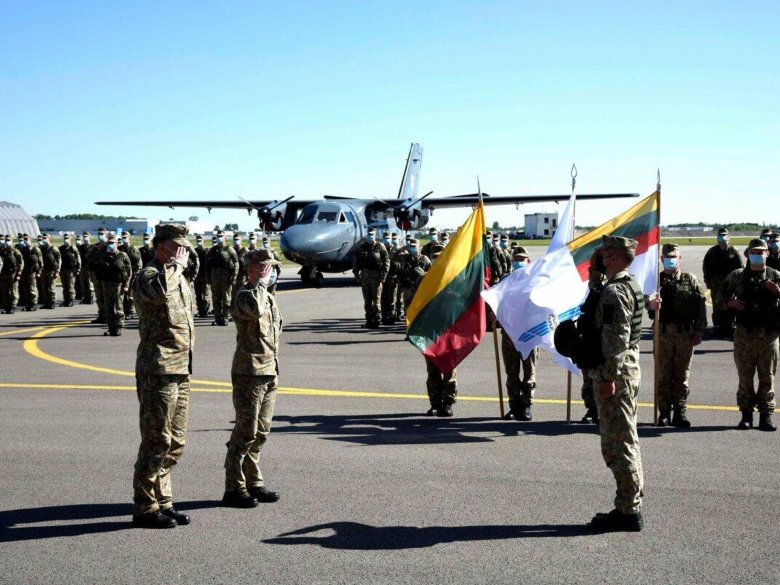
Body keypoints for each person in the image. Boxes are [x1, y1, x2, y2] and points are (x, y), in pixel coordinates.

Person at [131, 224, 195, 528]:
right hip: (157, 369)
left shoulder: (178, 277)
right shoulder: (149, 276)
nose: (183, 252)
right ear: (160, 247)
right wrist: (176, 268)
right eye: (176, 247)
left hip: (181, 367)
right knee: (157, 440)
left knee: (175, 441)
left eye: (184, 247)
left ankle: (163, 501)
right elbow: (157, 295)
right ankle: (145, 507)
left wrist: (178, 269)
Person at [588, 235, 645, 533]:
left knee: (619, 443)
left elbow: (615, 339)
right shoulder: (623, 285)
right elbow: (594, 294)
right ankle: (628, 505)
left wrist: (608, 378)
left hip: (616, 374)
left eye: (607, 252)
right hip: (625, 370)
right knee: (622, 440)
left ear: (617, 257)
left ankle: (628, 510)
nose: (602, 256)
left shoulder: (616, 293)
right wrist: (595, 271)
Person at [222, 249, 283, 508]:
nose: (272, 273)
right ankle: (234, 488)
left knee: (261, 433)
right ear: (251, 270)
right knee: (245, 433)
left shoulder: (268, 297)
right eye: (266, 268)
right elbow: (254, 311)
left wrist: (265, 286)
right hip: (250, 372)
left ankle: (253, 483)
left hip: (269, 370)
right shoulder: (246, 295)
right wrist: (259, 284)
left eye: (272, 268)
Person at [721, 238, 779, 431]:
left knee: (767, 376)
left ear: (767, 254)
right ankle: (746, 415)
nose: (757, 255)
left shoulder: (775, 275)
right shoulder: (737, 276)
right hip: (744, 335)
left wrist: (778, 293)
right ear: (747, 254)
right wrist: (729, 303)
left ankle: (766, 416)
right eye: (753, 252)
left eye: (761, 252)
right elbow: (720, 296)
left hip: (769, 336)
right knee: (745, 376)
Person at [647, 244, 707, 427]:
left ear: (679, 259)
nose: (670, 260)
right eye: (667, 257)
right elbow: (644, 304)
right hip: (662, 334)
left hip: (684, 335)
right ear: (661, 259)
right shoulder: (654, 282)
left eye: (673, 257)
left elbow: (700, 309)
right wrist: (651, 305)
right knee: (663, 375)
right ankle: (664, 412)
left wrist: (699, 332)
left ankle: (680, 412)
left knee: (681, 375)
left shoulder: (691, 280)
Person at [500, 247, 540, 421]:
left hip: (529, 333)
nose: (519, 261)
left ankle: (526, 406)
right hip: (509, 334)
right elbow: (497, 302)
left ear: (528, 261)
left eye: (522, 259)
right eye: (516, 258)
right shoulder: (505, 280)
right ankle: (514, 406)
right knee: (512, 372)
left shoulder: (535, 281)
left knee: (529, 372)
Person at [703, 227, 743, 337]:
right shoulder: (712, 251)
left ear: (729, 237)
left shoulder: (734, 251)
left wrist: (739, 283)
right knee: (717, 305)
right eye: (720, 235)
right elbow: (706, 267)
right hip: (716, 284)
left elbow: (741, 268)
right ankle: (718, 326)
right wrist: (707, 281)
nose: (722, 237)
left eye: (724, 235)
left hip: (731, 284)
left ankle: (729, 326)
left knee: (730, 303)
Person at [94, 233, 132, 336]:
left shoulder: (122, 255)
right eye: (108, 243)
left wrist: (126, 285)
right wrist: (100, 248)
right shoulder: (103, 255)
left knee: (119, 306)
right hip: (106, 283)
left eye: (112, 243)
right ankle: (111, 327)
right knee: (108, 307)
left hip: (118, 284)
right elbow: (95, 263)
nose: (110, 245)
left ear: (116, 243)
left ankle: (119, 326)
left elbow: (128, 272)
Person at [352, 227, 389, 328]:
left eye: (372, 234)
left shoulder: (380, 246)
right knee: (367, 300)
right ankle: (369, 320)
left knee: (376, 300)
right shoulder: (362, 247)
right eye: (369, 234)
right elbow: (356, 261)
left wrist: (384, 275)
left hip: (376, 276)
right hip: (365, 276)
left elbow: (386, 261)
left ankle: (377, 320)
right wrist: (356, 274)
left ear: (375, 235)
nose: (370, 236)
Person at [207, 230, 239, 326]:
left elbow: (236, 264)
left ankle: (225, 317)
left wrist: (234, 277)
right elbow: (207, 265)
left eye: (221, 236)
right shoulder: (212, 250)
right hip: (214, 278)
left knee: (226, 299)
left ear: (225, 238)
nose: (219, 238)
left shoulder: (230, 250)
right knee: (216, 299)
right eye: (218, 236)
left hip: (226, 279)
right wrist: (208, 278)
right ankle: (217, 318)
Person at [87, 228, 109, 323]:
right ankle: (102, 315)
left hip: (107, 277)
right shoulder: (95, 247)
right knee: (99, 297)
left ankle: (109, 316)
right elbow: (88, 257)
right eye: (99, 233)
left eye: (102, 233)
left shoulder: (110, 246)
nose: (100, 235)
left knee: (107, 297)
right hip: (97, 275)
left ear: (106, 234)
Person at [17, 233, 42, 311]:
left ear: (30, 240)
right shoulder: (23, 249)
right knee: (26, 288)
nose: (25, 241)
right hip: (24, 271)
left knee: (32, 288)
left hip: (32, 272)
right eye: (24, 239)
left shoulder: (35, 249)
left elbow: (40, 261)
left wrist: (39, 271)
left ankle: (33, 304)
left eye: (26, 239)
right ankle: (28, 304)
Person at [0, 234, 23, 313]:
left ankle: (13, 306)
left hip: (13, 274)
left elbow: (20, 263)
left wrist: (19, 274)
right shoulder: (2, 251)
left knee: (13, 291)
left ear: (12, 241)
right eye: (6, 240)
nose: (7, 242)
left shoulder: (15, 251)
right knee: (5, 292)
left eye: (9, 240)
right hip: (3, 274)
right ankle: (6, 307)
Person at [380, 231, 399, 325]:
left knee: (392, 298)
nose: (386, 239)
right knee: (383, 298)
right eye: (385, 237)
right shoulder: (380, 249)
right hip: (382, 277)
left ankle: (391, 316)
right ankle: (383, 317)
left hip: (392, 277)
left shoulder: (396, 250)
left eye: (388, 237)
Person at [38, 233, 61, 309]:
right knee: (44, 287)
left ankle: (52, 302)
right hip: (44, 270)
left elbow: (59, 260)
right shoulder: (41, 248)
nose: (44, 239)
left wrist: (57, 271)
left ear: (49, 239)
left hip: (51, 271)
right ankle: (46, 303)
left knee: (51, 287)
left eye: (45, 238)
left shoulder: (54, 249)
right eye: (43, 238)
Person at [58, 233, 82, 307]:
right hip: (63, 269)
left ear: (70, 239)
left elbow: (78, 259)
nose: (66, 240)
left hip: (71, 270)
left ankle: (71, 300)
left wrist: (78, 268)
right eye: (65, 238)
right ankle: (66, 300)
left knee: (70, 286)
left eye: (67, 238)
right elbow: (58, 259)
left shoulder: (73, 248)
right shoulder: (61, 248)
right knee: (65, 286)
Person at [193, 235, 211, 317]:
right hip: (197, 276)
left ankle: (205, 310)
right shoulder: (195, 251)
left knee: (206, 295)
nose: (199, 241)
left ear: (204, 241)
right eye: (197, 240)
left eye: (200, 240)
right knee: (198, 295)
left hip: (205, 276)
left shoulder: (208, 251)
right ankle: (200, 310)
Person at [77, 232, 94, 304]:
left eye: (86, 236)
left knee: (89, 283)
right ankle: (85, 298)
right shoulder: (80, 247)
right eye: (84, 236)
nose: (85, 238)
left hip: (89, 268)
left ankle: (90, 298)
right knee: (83, 284)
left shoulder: (93, 247)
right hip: (82, 267)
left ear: (90, 237)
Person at [231, 233, 248, 300]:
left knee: (242, 295)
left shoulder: (245, 250)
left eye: (238, 239)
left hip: (242, 276)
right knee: (233, 296)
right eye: (235, 239)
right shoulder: (231, 250)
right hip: (233, 277)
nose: (236, 241)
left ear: (241, 240)